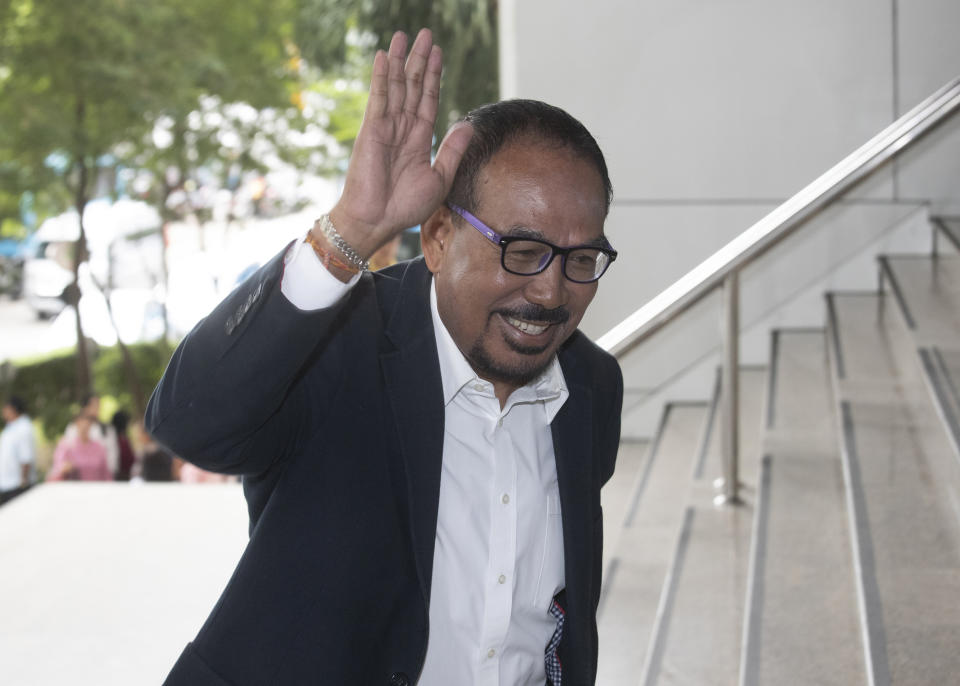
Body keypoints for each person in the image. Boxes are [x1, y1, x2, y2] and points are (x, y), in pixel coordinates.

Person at [147, 28, 622, 686]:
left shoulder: (593, 386)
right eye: (521, 249)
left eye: (581, 259)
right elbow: (190, 424)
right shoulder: (338, 347)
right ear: (437, 237)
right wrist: (352, 231)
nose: (550, 289)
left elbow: (555, 620)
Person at [63, 393, 119, 478]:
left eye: (99, 406)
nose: (97, 409)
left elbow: (112, 457)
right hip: (78, 478)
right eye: (94, 406)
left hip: (100, 478)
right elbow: (67, 453)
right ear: (85, 407)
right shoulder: (73, 428)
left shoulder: (107, 430)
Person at [49, 414, 111, 481]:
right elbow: (57, 468)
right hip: (73, 489)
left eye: (87, 424)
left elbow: (106, 474)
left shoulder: (99, 448)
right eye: (81, 423)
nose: (84, 427)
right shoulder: (66, 446)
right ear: (76, 424)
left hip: (95, 488)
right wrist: (64, 468)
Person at [0, 395, 36, 505]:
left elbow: (26, 458)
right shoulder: (11, 427)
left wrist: (23, 484)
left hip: (17, 487)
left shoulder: (23, 428)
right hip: (7, 485)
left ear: (13, 409)